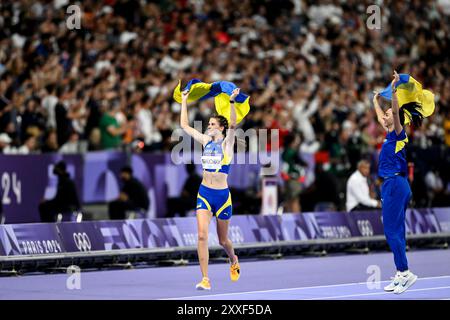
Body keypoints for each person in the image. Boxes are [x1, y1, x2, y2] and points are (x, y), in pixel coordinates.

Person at [179, 88, 241, 290]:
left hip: (222, 197)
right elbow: (184, 125)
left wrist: (231, 102)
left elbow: (233, 124)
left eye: (212, 124)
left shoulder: (227, 145)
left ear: (221, 129)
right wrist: (185, 100)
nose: (209, 126)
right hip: (204, 193)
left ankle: (233, 259)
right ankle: (205, 278)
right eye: (208, 124)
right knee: (202, 236)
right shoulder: (205, 141)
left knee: (223, 240)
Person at [373, 71, 421, 294]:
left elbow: (394, 107)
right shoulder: (389, 134)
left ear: (398, 116)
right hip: (394, 185)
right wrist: (375, 101)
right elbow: (381, 118)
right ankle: (401, 272)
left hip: (395, 184)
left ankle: (405, 272)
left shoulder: (399, 134)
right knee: (396, 231)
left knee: (391, 231)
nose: (386, 114)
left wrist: (393, 91)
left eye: (390, 112)